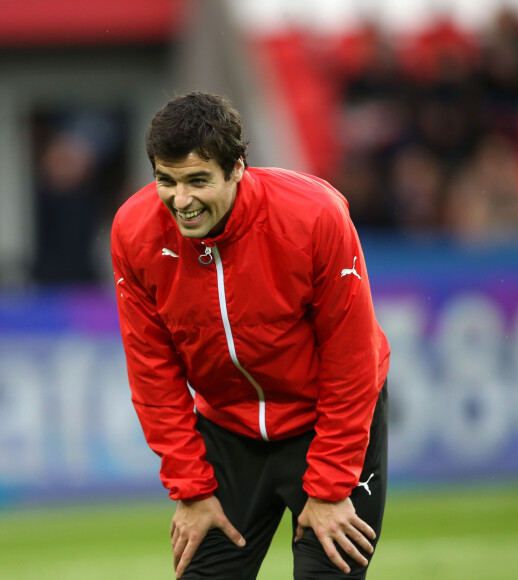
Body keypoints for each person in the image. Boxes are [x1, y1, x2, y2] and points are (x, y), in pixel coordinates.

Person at [111, 91, 390, 579]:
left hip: (325, 425)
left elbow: (352, 359)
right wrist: (191, 489)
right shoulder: (134, 232)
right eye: (166, 181)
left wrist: (328, 486)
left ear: (238, 167)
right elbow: (152, 371)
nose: (181, 201)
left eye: (198, 180)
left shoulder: (314, 215)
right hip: (227, 433)